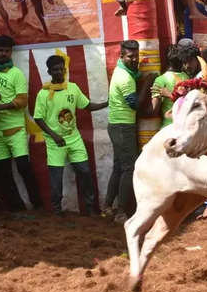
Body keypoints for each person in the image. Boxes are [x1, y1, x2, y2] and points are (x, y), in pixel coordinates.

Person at [34, 54, 107, 216]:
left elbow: (87, 106)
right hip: (55, 142)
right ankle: (57, 211)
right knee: (56, 179)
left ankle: (90, 208)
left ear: (65, 70)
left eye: (62, 69)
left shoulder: (72, 88)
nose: (59, 72)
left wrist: (106, 103)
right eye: (55, 70)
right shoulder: (43, 94)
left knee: (85, 172)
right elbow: (38, 118)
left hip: (74, 139)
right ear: (49, 71)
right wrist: (54, 136)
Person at [0, 35, 43, 212]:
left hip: (16, 130)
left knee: (24, 167)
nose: (3, 53)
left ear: (11, 53)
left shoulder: (17, 74)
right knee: (2, 171)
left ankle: (37, 205)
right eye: (0, 50)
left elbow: (22, 101)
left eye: (7, 51)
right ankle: (18, 208)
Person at [106, 40, 155, 223]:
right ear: (121, 56)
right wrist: (147, 82)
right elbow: (135, 104)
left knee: (119, 167)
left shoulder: (124, 71)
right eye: (130, 57)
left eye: (136, 56)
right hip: (123, 127)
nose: (134, 60)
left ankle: (108, 206)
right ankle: (121, 211)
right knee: (130, 168)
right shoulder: (125, 78)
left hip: (117, 125)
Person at [151, 45, 189, 127]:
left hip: (168, 126)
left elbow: (154, 110)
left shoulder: (160, 80)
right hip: (185, 126)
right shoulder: (187, 78)